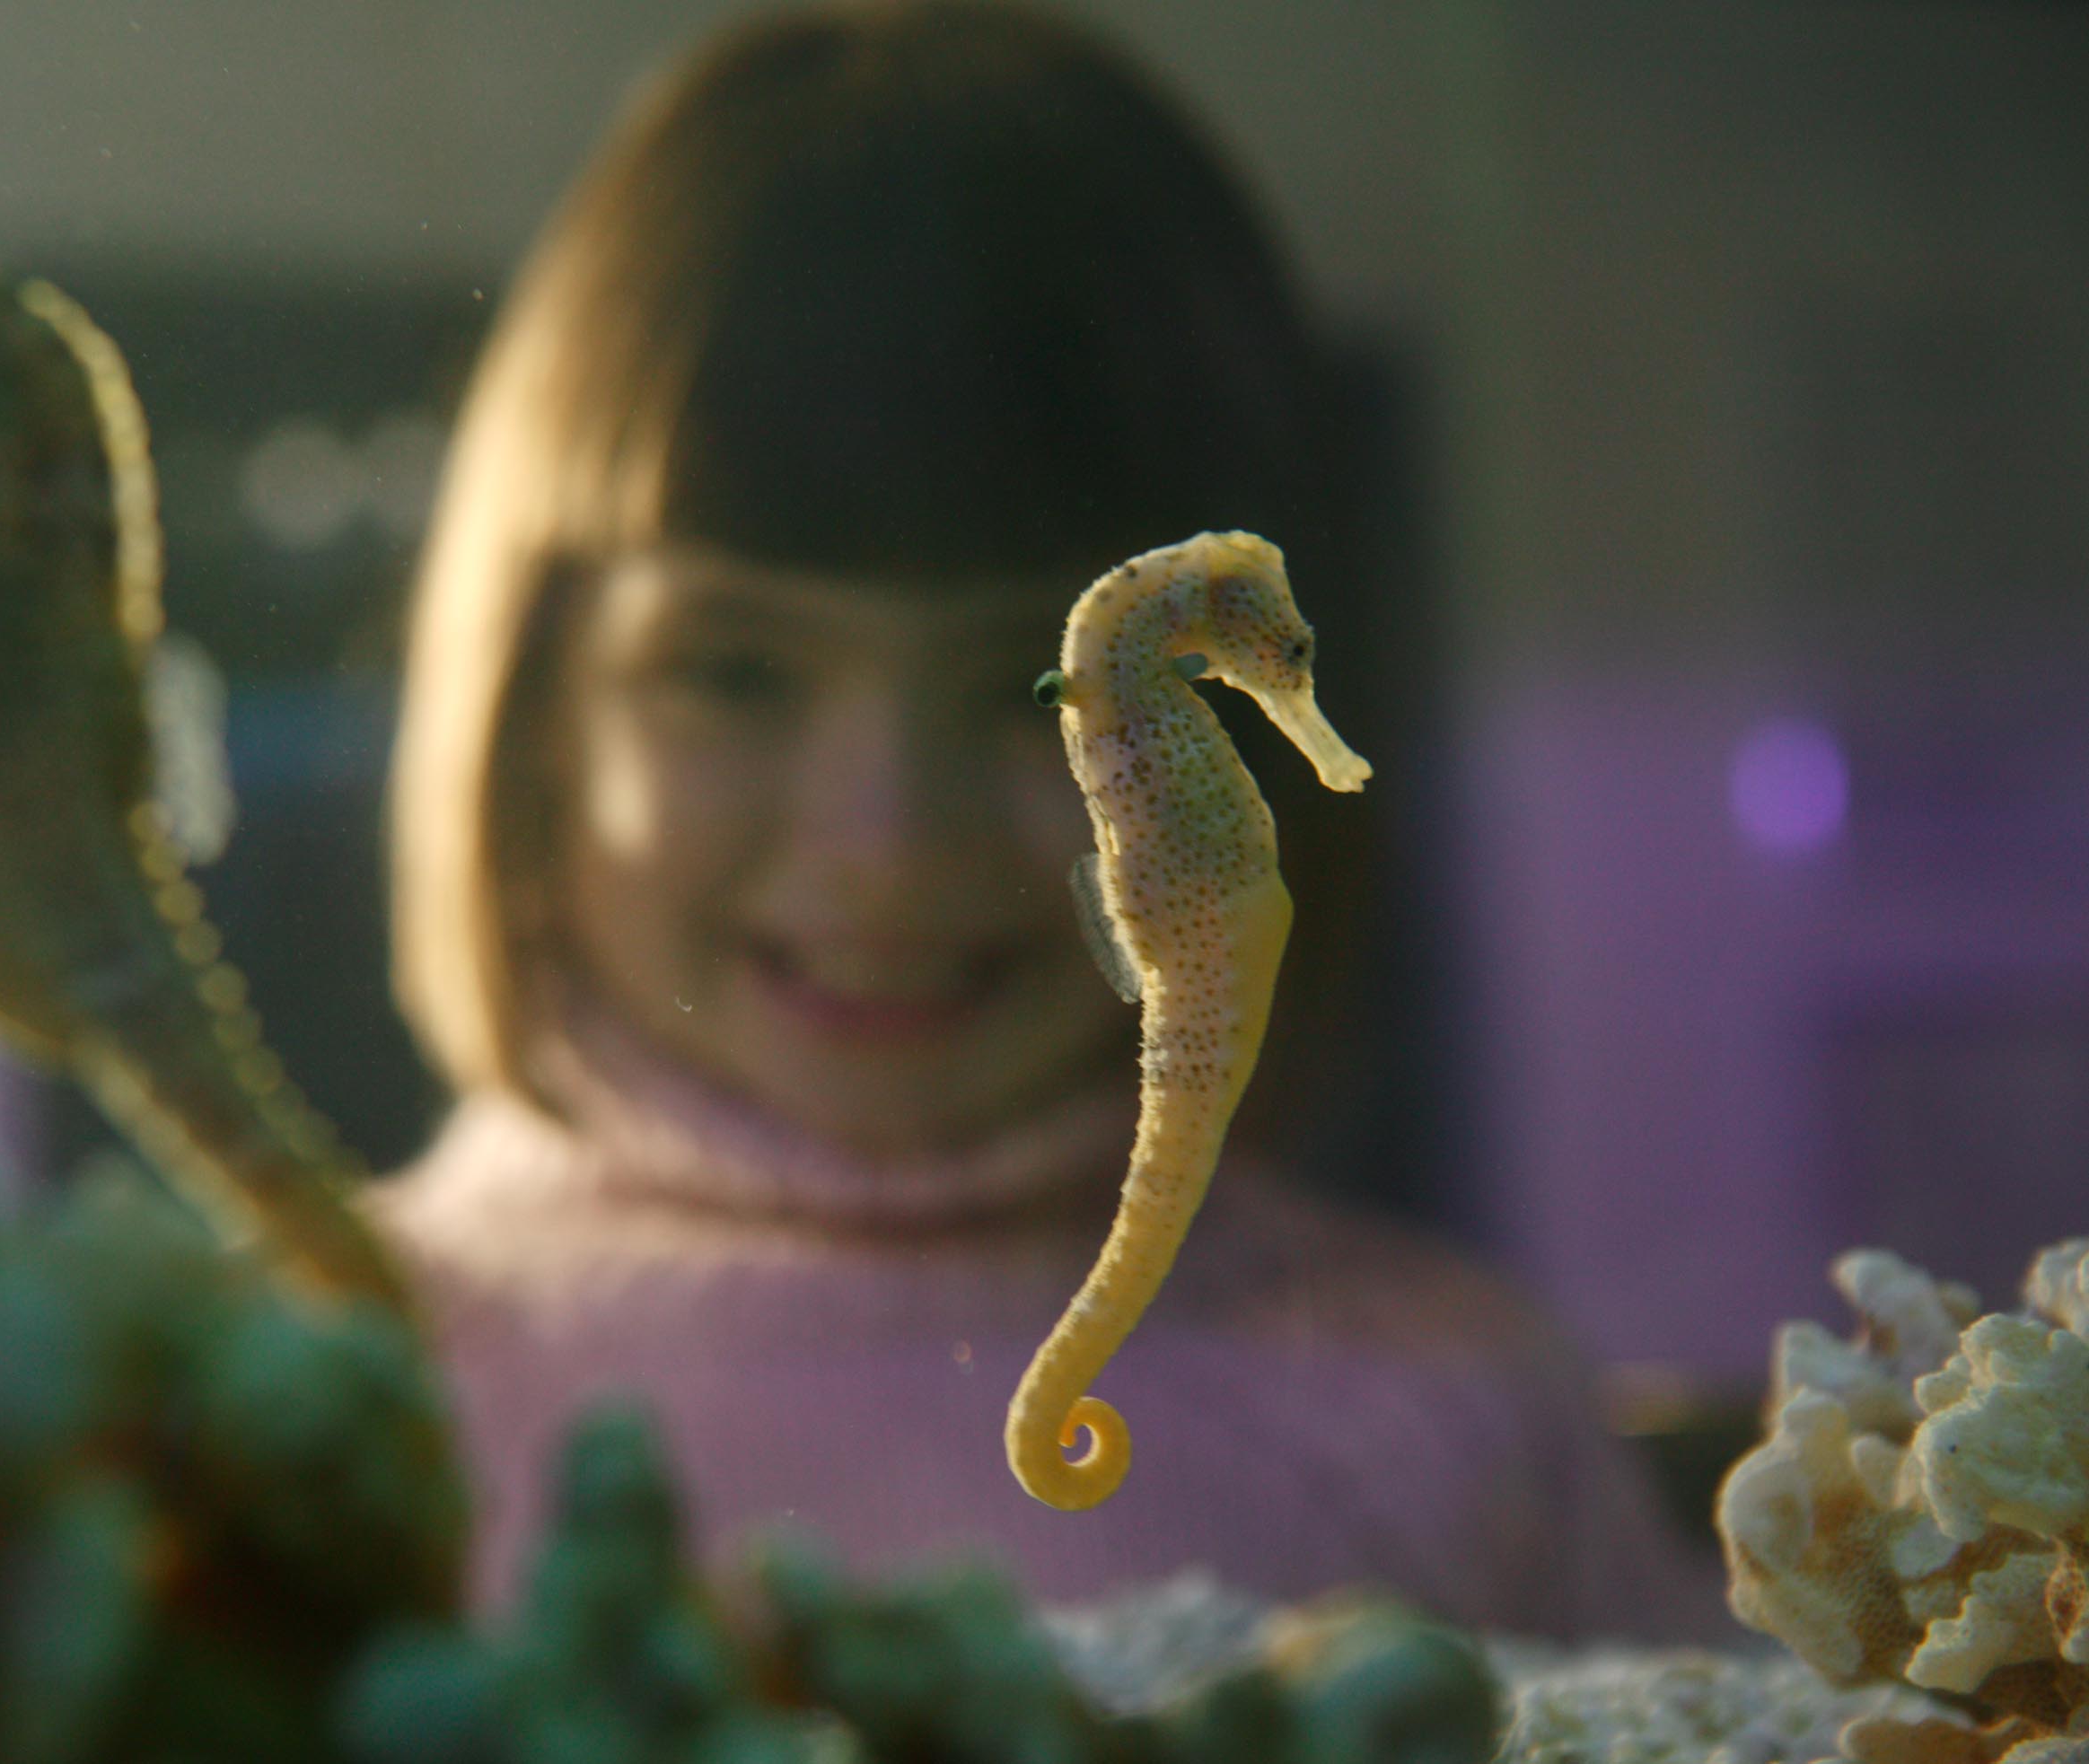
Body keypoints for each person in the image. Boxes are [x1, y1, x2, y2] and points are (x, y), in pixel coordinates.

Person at [370, 0, 1720, 1638]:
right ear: (528, 722)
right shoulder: (295, 1384)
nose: (883, 846)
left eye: (1039, 685)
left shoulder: (1448, 1424)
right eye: (730, 671)